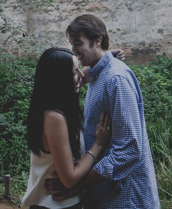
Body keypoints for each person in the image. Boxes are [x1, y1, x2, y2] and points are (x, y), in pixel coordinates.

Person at [63, 14, 161, 208]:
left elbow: (129, 149)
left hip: (125, 199)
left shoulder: (116, 79)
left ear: (97, 40)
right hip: (105, 195)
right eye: (72, 44)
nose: (74, 50)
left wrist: (82, 181)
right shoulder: (96, 73)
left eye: (78, 43)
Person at [22, 47, 112, 209]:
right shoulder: (54, 118)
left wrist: (106, 56)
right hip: (54, 205)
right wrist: (99, 144)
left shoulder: (49, 104)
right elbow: (69, 179)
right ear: (59, 80)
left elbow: (84, 76)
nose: (81, 75)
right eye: (74, 72)